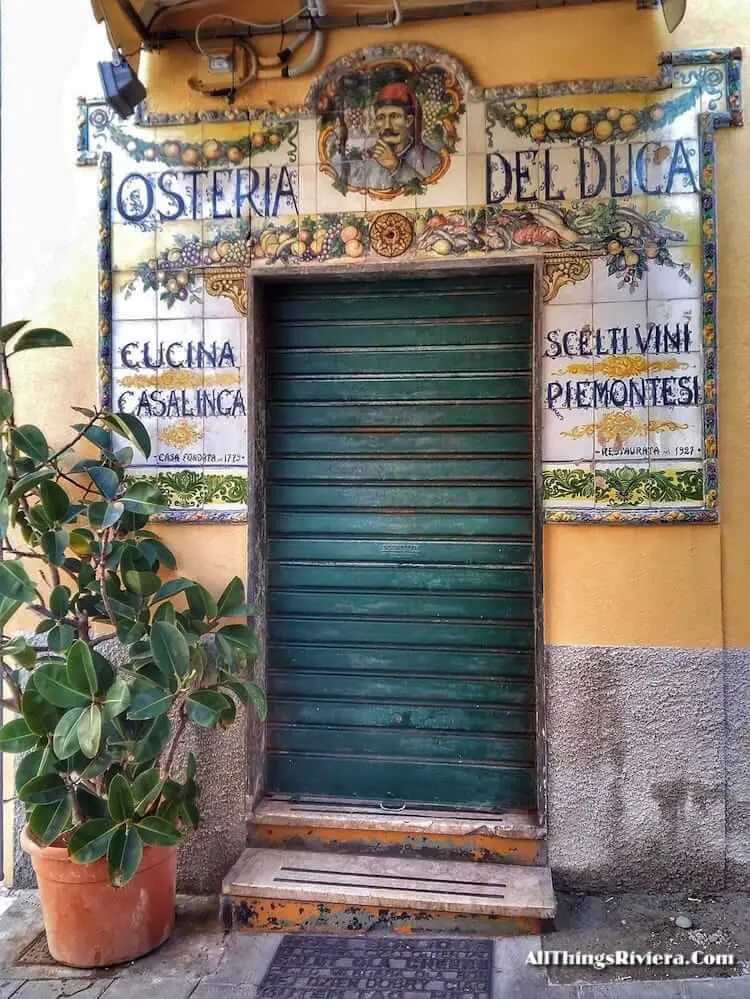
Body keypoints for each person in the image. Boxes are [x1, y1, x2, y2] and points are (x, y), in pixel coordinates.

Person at [342, 81, 442, 191]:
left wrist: (396, 167)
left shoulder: (432, 161)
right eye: (381, 117)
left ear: (408, 120)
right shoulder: (365, 163)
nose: (387, 126)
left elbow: (430, 195)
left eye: (394, 116)